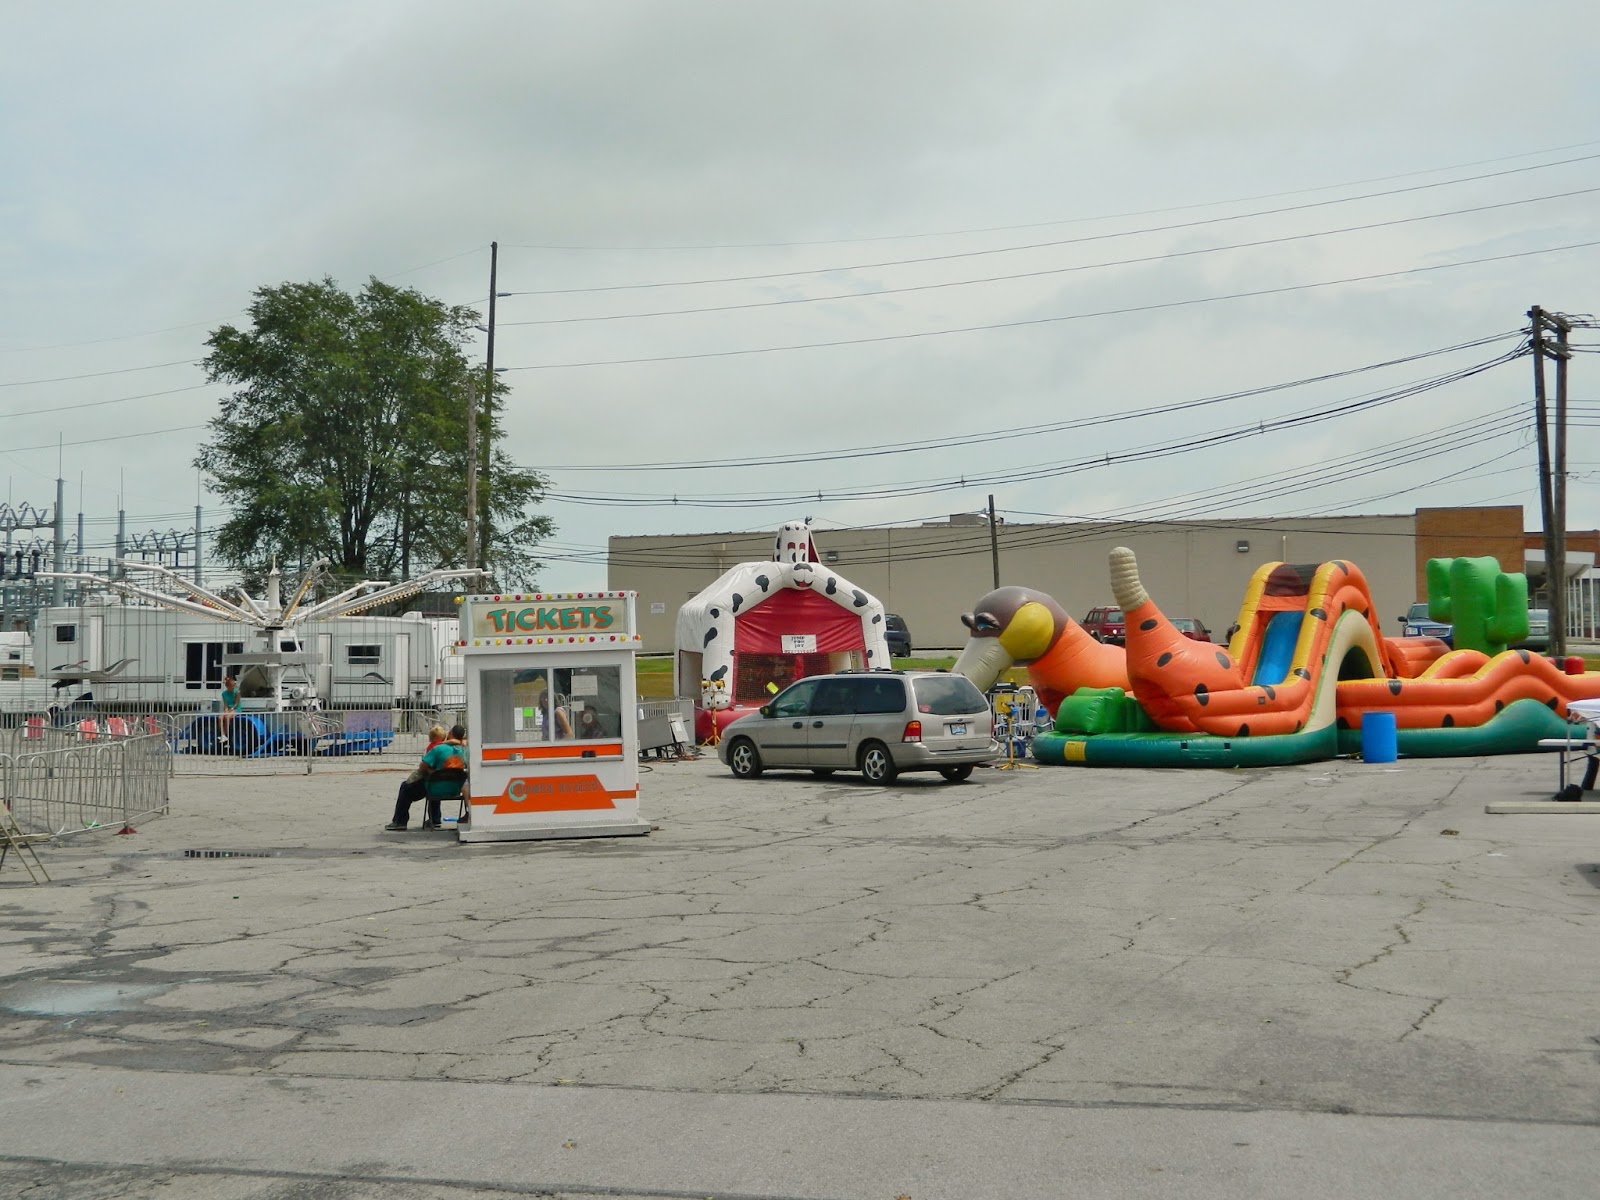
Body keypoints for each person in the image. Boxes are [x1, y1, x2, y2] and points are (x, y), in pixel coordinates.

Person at [385, 724, 467, 831]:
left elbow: (423, 766)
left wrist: (430, 771)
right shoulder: (465, 751)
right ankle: (435, 819)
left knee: (406, 787)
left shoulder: (439, 749)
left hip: (435, 787)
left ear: (450, 733)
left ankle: (400, 821)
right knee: (436, 780)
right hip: (455, 789)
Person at [217, 675, 241, 751]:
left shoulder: (237, 692)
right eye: (232, 686)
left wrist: (231, 709)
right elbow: (225, 704)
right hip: (229, 709)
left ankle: (225, 733)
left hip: (236, 709)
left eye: (234, 686)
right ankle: (223, 735)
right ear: (227, 687)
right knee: (220, 717)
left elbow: (236, 703)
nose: (233, 687)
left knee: (227, 717)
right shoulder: (224, 694)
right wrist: (226, 710)